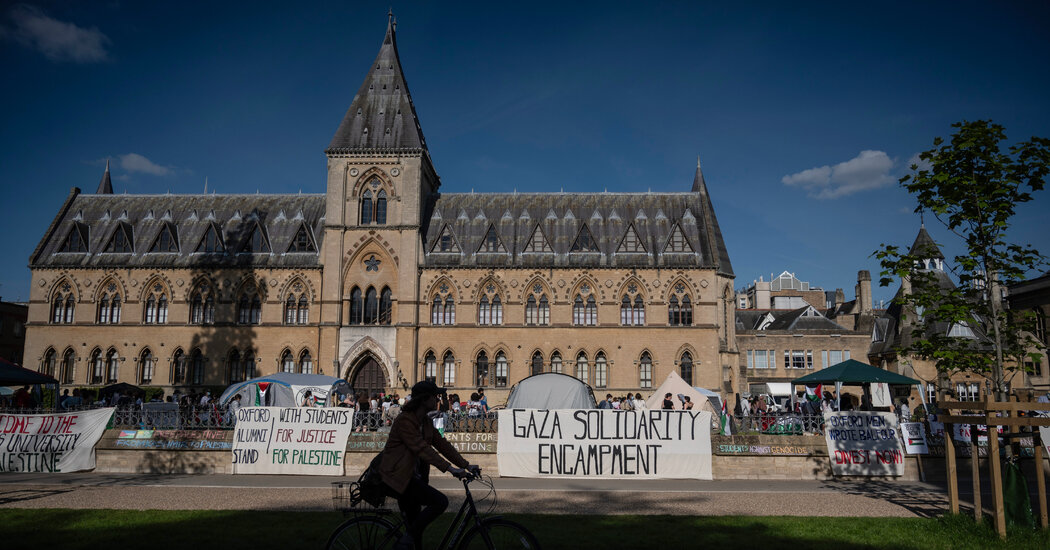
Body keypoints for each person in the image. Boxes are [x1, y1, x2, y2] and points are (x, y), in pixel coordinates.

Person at [379, 380, 478, 550]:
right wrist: (451, 469)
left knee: (416, 533)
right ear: (424, 399)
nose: (438, 400)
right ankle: (405, 539)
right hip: (398, 477)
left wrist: (466, 465)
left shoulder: (424, 422)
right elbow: (422, 449)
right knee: (439, 502)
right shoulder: (405, 421)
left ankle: (408, 539)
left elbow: (442, 445)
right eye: (435, 396)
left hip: (412, 478)